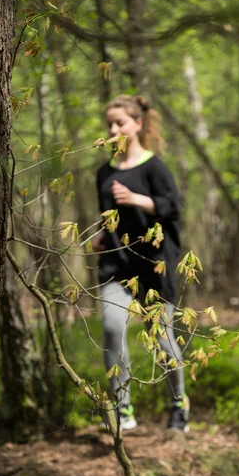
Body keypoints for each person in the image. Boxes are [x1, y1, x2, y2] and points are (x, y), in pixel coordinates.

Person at [93, 94, 190, 432]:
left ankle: (179, 409)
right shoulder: (104, 171)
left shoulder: (154, 166)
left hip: (154, 265)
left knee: (162, 338)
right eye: (109, 125)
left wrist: (138, 200)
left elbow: (173, 208)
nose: (113, 129)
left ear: (138, 124)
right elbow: (108, 218)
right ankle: (123, 410)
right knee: (111, 328)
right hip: (115, 267)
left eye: (119, 122)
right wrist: (102, 238)